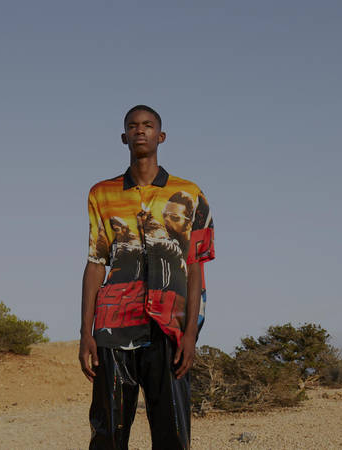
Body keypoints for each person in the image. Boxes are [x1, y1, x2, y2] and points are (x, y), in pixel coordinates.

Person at [79, 105, 215, 449]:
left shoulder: (191, 195)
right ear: (124, 137)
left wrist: (190, 333)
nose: (140, 131)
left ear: (161, 136)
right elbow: (96, 262)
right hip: (112, 327)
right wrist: (86, 333)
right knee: (107, 433)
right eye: (133, 126)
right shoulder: (101, 193)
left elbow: (196, 267)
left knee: (172, 433)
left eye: (148, 125)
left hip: (168, 326)